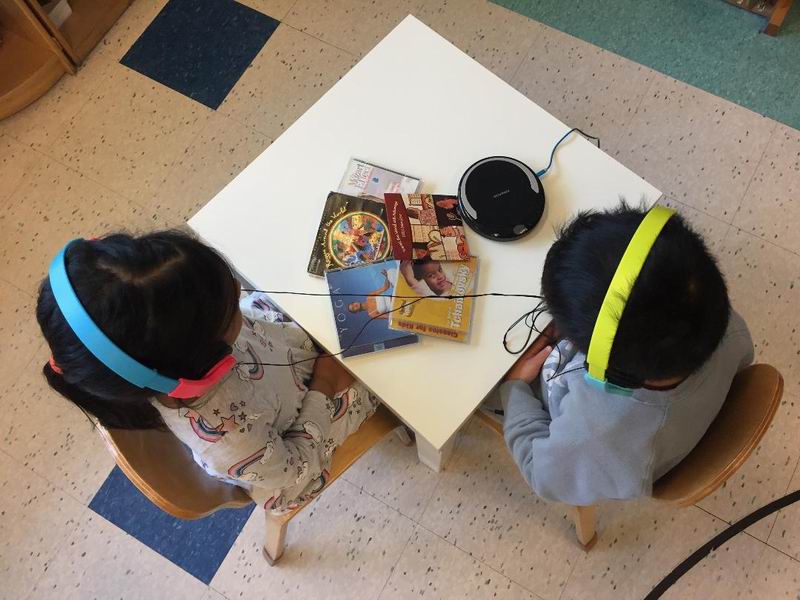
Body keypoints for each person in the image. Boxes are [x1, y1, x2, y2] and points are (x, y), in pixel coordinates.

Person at [36, 232, 379, 512]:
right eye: (229, 304)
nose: (236, 288)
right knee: (392, 375)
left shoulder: (175, 342)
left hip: (279, 355)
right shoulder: (229, 438)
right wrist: (325, 384)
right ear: (206, 361)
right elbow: (294, 471)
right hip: (310, 420)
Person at [499, 203, 753, 506]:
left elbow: (542, 475)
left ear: (611, 375)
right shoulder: (718, 320)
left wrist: (514, 390)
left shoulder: (594, 441)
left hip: (597, 434)